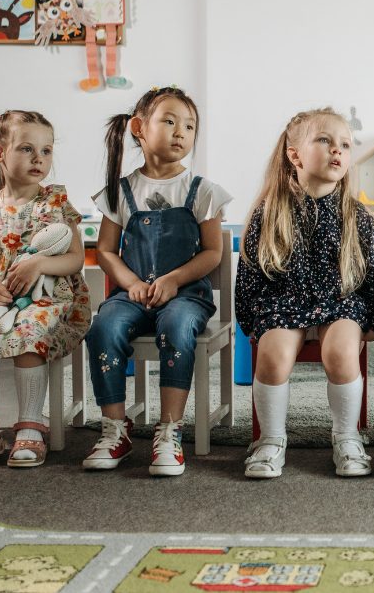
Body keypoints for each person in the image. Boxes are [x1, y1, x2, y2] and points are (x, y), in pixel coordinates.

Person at [235, 107, 374, 479]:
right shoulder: (268, 212)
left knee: (340, 352)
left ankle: (347, 436)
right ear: (295, 155)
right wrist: (252, 321)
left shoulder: (357, 215)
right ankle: (271, 440)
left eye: (344, 144)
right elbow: (250, 272)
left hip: (341, 302)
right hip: (284, 302)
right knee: (272, 357)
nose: (337, 150)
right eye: (324, 141)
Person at [83, 86, 231, 477]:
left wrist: (174, 279)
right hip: (132, 295)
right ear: (138, 128)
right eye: (169, 121)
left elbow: (212, 252)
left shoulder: (202, 191)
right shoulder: (120, 193)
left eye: (189, 125)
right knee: (103, 327)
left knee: (177, 327)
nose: (181, 131)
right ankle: (115, 428)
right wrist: (130, 282)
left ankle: (169, 429)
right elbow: (106, 251)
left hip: (185, 296)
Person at [0, 110, 90, 467]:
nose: (39, 158)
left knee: (30, 331)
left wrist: (39, 263)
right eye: (27, 149)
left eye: (46, 150)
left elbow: (75, 258)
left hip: (47, 296)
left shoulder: (54, 203)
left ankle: (30, 422)